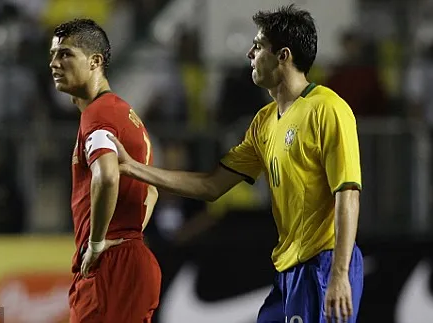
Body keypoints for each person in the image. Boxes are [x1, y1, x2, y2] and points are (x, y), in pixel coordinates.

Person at [109, 5, 363, 323]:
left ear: (283, 56)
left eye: (257, 46)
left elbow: (348, 193)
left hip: (324, 264)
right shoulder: (264, 122)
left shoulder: (328, 109)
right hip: (288, 270)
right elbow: (211, 185)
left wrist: (339, 273)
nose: (249, 53)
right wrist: (133, 167)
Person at [49, 18, 161, 323]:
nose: (54, 63)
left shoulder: (99, 114)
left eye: (65, 54)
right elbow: (150, 191)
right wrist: (129, 236)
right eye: (53, 55)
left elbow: (108, 175)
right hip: (130, 258)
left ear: (95, 61)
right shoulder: (124, 113)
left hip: (112, 267)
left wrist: (99, 242)